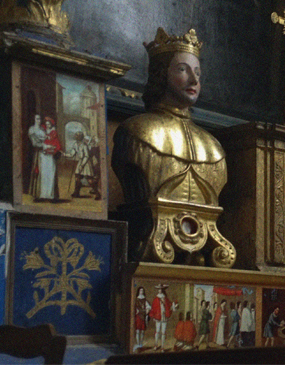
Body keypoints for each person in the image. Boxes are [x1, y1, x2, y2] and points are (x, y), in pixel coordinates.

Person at [111, 27, 234, 267]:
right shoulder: (136, 132)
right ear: (160, 74)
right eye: (182, 69)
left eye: (198, 72)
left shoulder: (214, 147)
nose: (194, 80)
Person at [35, 117, 61, 201]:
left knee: (50, 174)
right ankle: (43, 195)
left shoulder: (53, 133)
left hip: (50, 156)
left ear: (51, 124)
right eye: (46, 124)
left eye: (49, 124)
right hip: (43, 155)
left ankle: (50, 195)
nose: (47, 126)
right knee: (43, 174)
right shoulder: (43, 132)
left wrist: (51, 148)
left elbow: (56, 146)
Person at [65, 131, 98, 198]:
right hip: (80, 161)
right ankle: (76, 193)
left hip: (86, 163)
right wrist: (64, 154)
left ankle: (97, 194)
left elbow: (86, 156)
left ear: (80, 137)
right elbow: (72, 154)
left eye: (78, 136)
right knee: (77, 177)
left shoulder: (84, 146)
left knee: (90, 180)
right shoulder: (75, 144)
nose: (76, 136)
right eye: (76, 135)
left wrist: (82, 165)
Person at [148, 284, 178, 350]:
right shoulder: (156, 299)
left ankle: (162, 347)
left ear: (163, 290)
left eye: (161, 289)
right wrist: (153, 316)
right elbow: (153, 308)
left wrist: (174, 306)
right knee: (157, 331)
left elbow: (170, 307)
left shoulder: (166, 299)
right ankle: (156, 345)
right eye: (159, 289)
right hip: (158, 317)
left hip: (164, 317)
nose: (160, 290)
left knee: (163, 332)